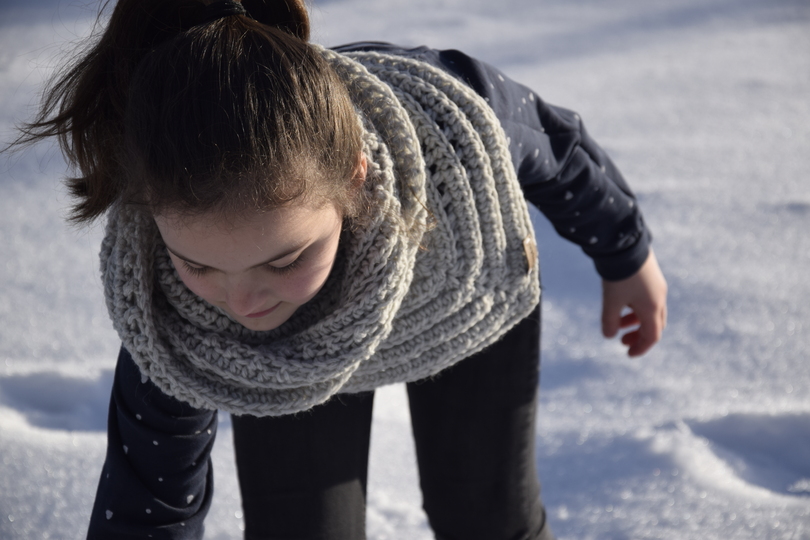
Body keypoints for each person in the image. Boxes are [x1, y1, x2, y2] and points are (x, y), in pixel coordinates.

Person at [17, 0, 667, 538]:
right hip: (288, 368)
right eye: (200, 265)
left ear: (356, 178)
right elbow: (148, 503)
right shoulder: (178, 324)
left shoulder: (446, 129)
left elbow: (554, 146)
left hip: (460, 293)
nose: (243, 301)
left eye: (285, 258)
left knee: (488, 517)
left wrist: (625, 252)